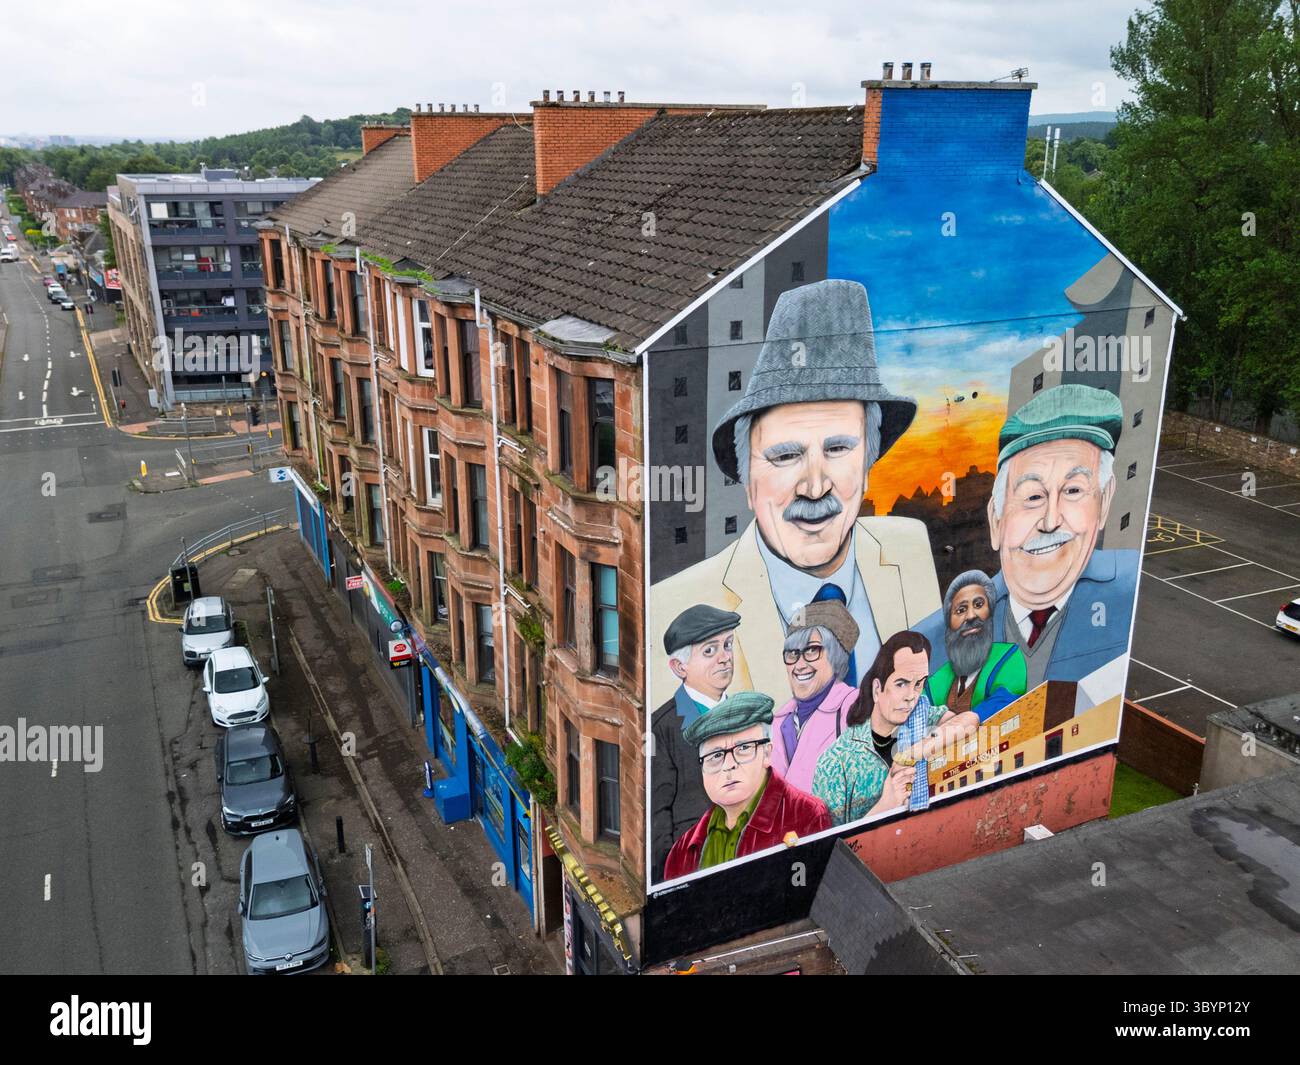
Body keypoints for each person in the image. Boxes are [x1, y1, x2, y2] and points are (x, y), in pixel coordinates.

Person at [649, 279, 941, 702]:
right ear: (748, 483)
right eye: (785, 456)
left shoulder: (910, 546)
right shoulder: (672, 609)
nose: (815, 485)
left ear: (868, 467)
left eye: (839, 448)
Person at [918, 383, 1137, 691]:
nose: (1050, 521)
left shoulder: (1130, 589)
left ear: (1104, 501)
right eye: (1033, 496)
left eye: (1073, 491)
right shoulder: (926, 647)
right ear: (996, 520)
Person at [811, 631, 978, 826]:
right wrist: (886, 805)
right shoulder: (835, 762)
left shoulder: (921, 717)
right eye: (901, 684)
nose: (911, 696)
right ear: (877, 689)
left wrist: (915, 752)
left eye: (919, 684)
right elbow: (832, 848)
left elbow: (969, 721)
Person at [662, 692, 831, 880]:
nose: (728, 765)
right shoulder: (682, 851)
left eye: (743, 748)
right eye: (716, 755)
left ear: (767, 754)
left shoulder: (807, 816)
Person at [650, 605, 740, 881]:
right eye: (710, 651)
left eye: (727, 645)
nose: (725, 658)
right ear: (679, 667)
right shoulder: (661, 728)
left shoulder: (746, 716)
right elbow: (656, 815)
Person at [771, 600, 859, 795]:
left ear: (836, 655)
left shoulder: (852, 705)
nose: (799, 665)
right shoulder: (780, 720)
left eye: (812, 650)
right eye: (793, 653)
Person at [922, 571, 1026, 721]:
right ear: (949, 623)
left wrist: (966, 721)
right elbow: (916, 716)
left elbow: (1006, 701)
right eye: (961, 610)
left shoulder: (1008, 657)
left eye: (978, 605)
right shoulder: (935, 682)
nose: (971, 616)